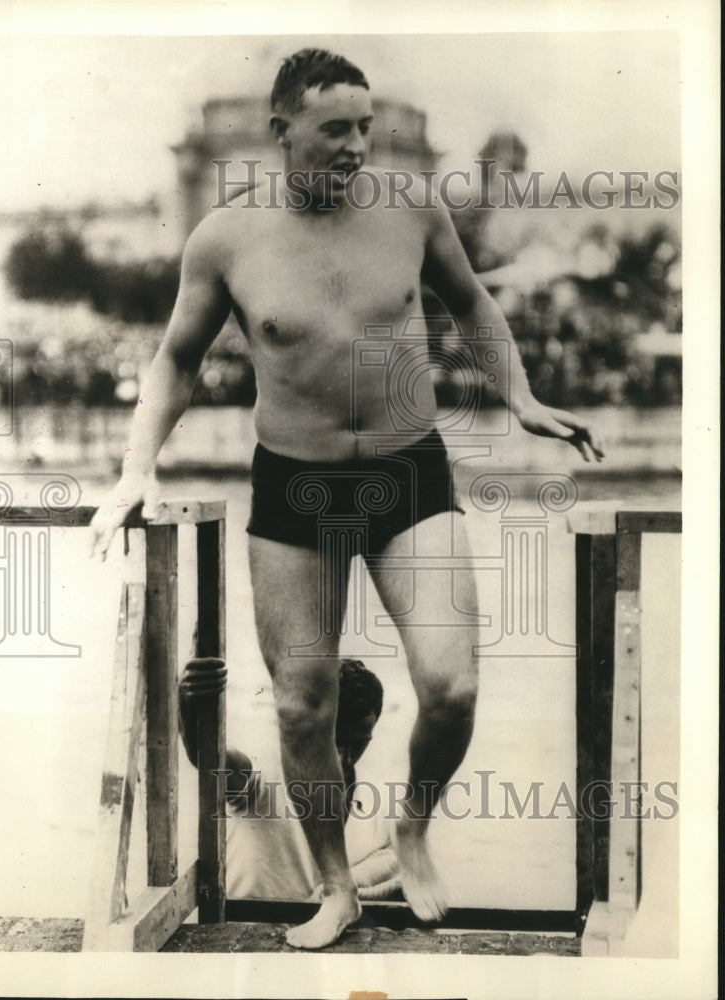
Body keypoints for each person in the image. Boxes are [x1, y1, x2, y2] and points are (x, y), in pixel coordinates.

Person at [90, 48, 605, 948]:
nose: (358, 147)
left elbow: (477, 305)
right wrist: (139, 469)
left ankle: (410, 828)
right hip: (295, 485)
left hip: (408, 473)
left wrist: (518, 396)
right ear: (281, 131)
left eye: (367, 128)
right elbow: (174, 359)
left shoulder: (411, 212)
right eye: (336, 130)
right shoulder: (225, 239)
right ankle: (334, 887)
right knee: (302, 705)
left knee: (451, 687)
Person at [178, 657, 400, 902]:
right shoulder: (261, 775)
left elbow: (396, 859)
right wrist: (188, 704)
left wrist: (354, 880)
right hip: (245, 935)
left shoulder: (375, 803)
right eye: (334, 741)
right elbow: (206, 755)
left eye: (358, 744)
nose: (343, 757)